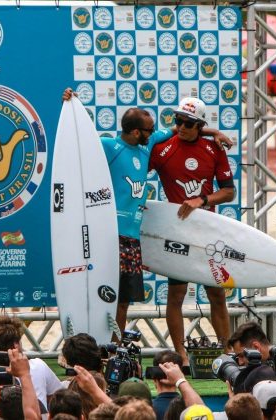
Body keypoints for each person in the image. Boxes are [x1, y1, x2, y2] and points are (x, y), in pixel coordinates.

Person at [62, 89, 230, 333]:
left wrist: (212, 132)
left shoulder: (148, 144)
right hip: (110, 236)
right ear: (136, 132)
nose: (171, 129)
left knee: (123, 302)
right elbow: (75, 141)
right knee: (107, 298)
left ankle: (115, 351)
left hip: (135, 237)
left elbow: (178, 131)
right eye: (151, 130)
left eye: (187, 123)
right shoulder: (111, 146)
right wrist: (68, 105)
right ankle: (96, 348)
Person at [148, 97, 235, 364]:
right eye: (178, 121)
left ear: (199, 125)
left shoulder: (213, 149)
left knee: (216, 294)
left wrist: (203, 200)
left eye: (188, 123)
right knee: (176, 294)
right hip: (178, 233)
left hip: (208, 232)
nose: (181, 127)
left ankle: (227, 353)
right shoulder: (162, 149)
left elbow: (229, 192)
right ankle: (181, 355)